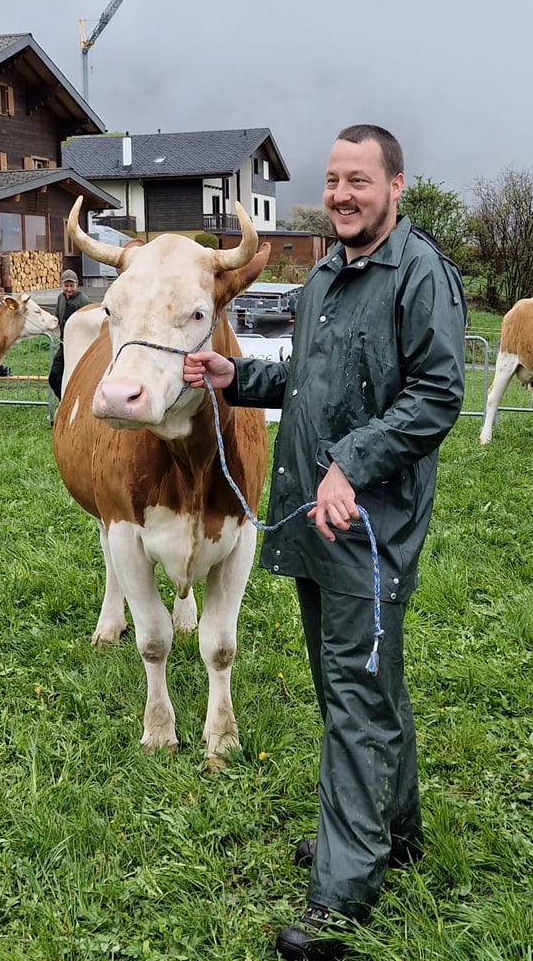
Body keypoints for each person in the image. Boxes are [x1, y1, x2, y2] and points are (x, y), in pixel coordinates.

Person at [184, 124, 467, 959]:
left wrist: (351, 463)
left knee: (353, 696)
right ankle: (388, 834)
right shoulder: (326, 276)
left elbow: (437, 395)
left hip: (368, 526)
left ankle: (343, 895)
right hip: (316, 516)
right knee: (364, 687)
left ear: (395, 187)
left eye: (359, 181)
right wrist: (240, 378)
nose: (342, 194)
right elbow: (310, 382)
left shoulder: (419, 275)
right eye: (334, 180)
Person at [48, 269, 90, 399]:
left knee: (75, 377)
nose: (69, 289)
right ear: (61, 285)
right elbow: (57, 317)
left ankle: (73, 402)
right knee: (54, 377)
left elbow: (86, 324)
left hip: (78, 347)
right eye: (66, 286)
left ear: (77, 284)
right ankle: (64, 401)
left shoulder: (83, 301)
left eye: (72, 285)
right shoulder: (60, 298)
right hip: (64, 345)